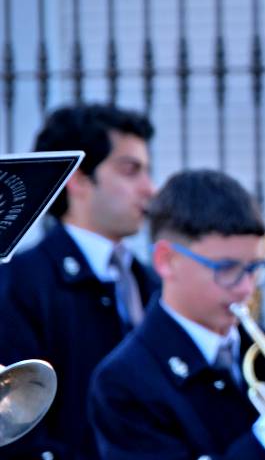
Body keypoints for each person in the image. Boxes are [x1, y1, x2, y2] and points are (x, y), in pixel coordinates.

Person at [88, 169, 265, 460]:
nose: (245, 288)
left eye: (254, 268)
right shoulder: (122, 383)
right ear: (167, 261)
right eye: (226, 269)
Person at [0, 104, 157, 460]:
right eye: (131, 171)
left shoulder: (148, 280)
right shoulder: (22, 282)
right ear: (79, 179)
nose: (150, 188)